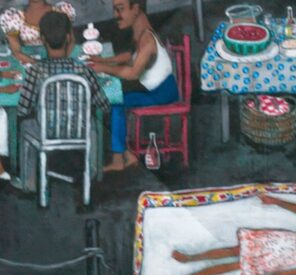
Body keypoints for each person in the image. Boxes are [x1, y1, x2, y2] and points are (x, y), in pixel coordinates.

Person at [87, 0, 178, 172]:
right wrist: (104, 60)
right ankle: (127, 155)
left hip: (161, 94)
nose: (116, 15)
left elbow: (133, 73)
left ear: (136, 9)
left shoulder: (147, 40)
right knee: (117, 98)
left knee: (116, 103)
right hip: (161, 89)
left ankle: (118, 159)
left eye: (120, 9)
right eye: (115, 10)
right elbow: (130, 56)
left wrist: (103, 67)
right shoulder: (142, 31)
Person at [15, 11, 110, 142]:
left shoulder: (35, 72)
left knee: (25, 125)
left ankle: (35, 162)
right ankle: (90, 163)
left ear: (42, 39)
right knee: (93, 126)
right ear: (68, 38)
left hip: (45, 133)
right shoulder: (83, 70)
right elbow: (104, 105)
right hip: (79, 132)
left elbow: (22, 110)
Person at [0, 0, 77, 66]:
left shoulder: (62, 11)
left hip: (61, 57)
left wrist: (60, 61)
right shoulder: (13, 17)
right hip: (29, 61)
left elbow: (71, 41)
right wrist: (38, 64)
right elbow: (16, 51)